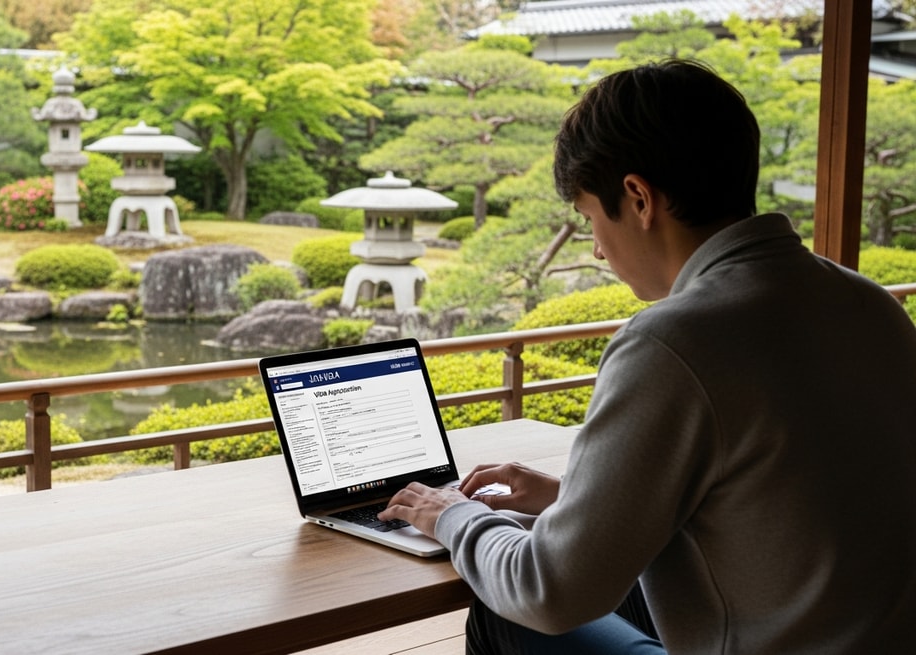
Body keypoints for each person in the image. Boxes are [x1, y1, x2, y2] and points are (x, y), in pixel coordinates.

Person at [379, 59, 916, 653]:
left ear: (637, 198)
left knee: (506, 612)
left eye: (588, 217)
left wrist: (450, 514)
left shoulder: (673, 341)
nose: (598, 249)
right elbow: (786, 504)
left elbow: (549, 592)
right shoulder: (869, 303)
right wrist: (576, 500)